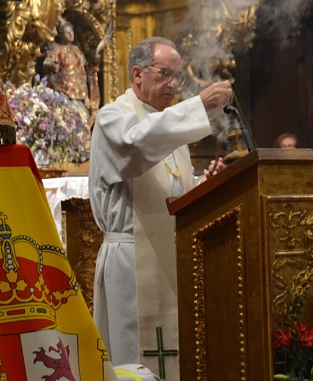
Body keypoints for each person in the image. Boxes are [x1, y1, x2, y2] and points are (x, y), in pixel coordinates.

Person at [88, 37, 230, 377]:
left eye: (178, 77)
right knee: (132, 356)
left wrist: (202, 187)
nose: (174, 85)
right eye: (166, 74)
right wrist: (197, 104)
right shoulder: (113, 118)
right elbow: (136, 147)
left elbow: (172, 196)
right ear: (138, 74)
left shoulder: (168, 128)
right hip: (131, 260)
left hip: (168, 257)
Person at [43, 21, 99, 125]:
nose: (71, 34)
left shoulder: (76, 49)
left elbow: (83, 67)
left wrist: (92, 65)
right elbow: (48, 62)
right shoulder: (56, 48)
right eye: (67, 32)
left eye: (72, 32)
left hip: (80, 88)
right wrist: (53, 65)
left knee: (82, 117)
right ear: (61, 35)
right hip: (63, 88)